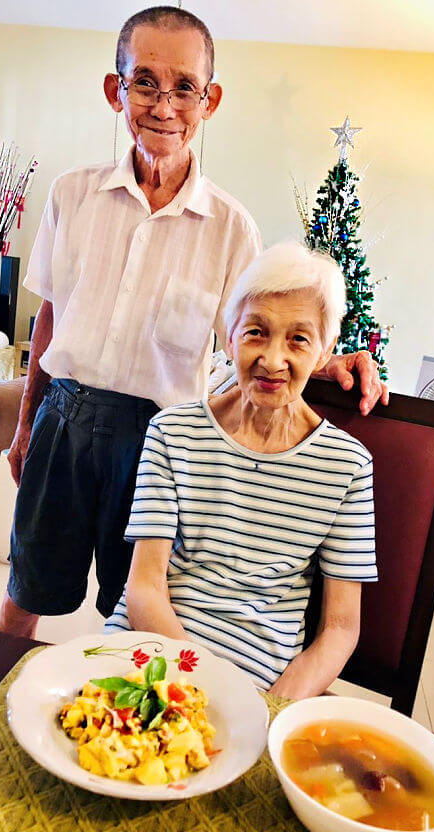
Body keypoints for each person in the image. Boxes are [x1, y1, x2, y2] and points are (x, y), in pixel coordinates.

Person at [0, 7, 386, 640]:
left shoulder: (233, 229)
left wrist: (325, 362)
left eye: (184, 87)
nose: (163, 104)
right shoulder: (71, 195)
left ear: (210, 101)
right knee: (25, 587)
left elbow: (256, 339)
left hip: (160, 441)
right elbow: (49, 316)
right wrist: (24, 426)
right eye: (144, 81)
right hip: (61, 421)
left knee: (134, 615)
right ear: (114, 90)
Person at [105, 242, 377, 699]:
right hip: (148, 651)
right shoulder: (173, 432)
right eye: (256, 332)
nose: (273, 360)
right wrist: (202, 690)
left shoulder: (348, 466)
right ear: (230, 336)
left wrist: (273, 708)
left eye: (298, 339)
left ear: (326, 349)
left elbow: (340, 628)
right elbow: (145, 587)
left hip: (264, 685)